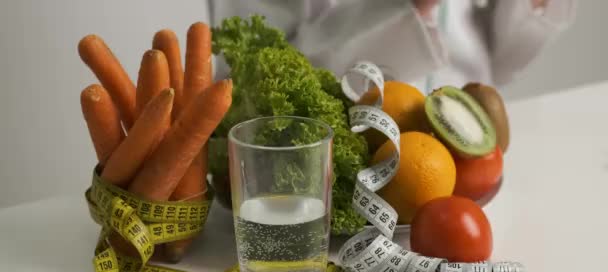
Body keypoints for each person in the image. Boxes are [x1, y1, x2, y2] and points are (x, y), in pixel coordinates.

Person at [210, 0, 576, 93]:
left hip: (476, 182)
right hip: (329, 202)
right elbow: (250, 89)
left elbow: (502, 60)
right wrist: (416, 7)